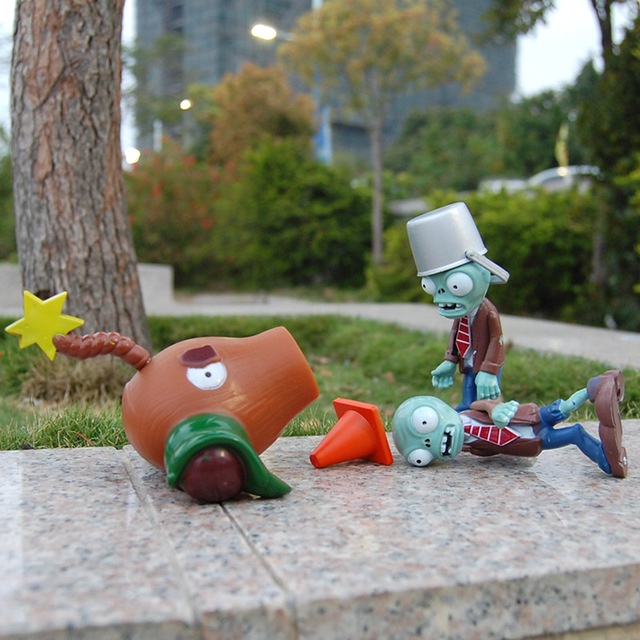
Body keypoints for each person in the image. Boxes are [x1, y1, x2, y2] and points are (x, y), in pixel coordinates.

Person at [392, 369, 628, 478]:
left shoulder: (467, 412)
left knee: (564, 408)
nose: (430, 442)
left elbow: (485, 404)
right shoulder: (469, 448)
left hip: (529, 417)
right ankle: (606, 458)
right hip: (530, 441)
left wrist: (495, 410)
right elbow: (490, 448)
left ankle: (595, 388)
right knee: (574, 434)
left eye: (425, 423)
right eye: (421, 455)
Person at [406, 202, 509, 410]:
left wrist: (489, 370)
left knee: (486, 401)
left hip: (485, 367)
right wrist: (449, 360)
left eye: (456, 285)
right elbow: (455, 335)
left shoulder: (488, 312)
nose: (441, 295)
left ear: (483, 274)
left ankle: (487, 417)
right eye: (430, 286)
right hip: (469, 364)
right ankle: (467, 410)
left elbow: (496, 340)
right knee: (469, 399)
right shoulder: (462, 313)